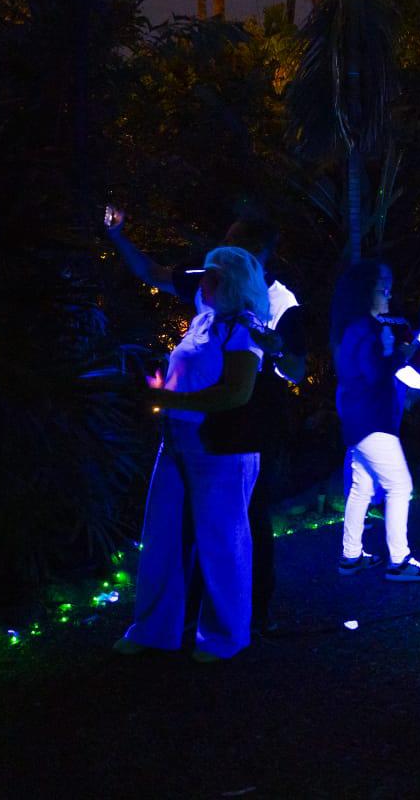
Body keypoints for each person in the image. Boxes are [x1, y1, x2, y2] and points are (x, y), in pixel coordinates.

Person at [104, 208, 304, 634]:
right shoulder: (209, 290)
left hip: (244, 426)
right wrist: (118, 236)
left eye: (234, 243)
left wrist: (277, 349)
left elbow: (295, 369)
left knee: (240, 521)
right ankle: (182, 619)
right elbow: (152, 271)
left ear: (258, 253)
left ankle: (244, 617)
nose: (219, 253)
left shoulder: (278, 303)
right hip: (189, 428)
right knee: (180, 523)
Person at [114, 247, 269, 661]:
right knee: (162, 534)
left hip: (220, 448)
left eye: (213, 277)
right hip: (178, 441)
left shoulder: (244, 327)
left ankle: (225, 636)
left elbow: (236, 393)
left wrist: (167, 400)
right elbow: (150, 269)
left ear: (231, 283)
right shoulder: (205, 318)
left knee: (221, 540)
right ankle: (152, 628)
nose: (203, 282)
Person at [331, 261, 420, 582]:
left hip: (358, 420)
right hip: (373, 420)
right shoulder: (366, 328)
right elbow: (376, 373)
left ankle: (351, 555)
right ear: (366, 292)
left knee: (362, 486)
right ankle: (400, 560)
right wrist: (403, 353)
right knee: (399, 485)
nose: (388, 292)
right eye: (382, 287)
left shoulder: (350, 327)